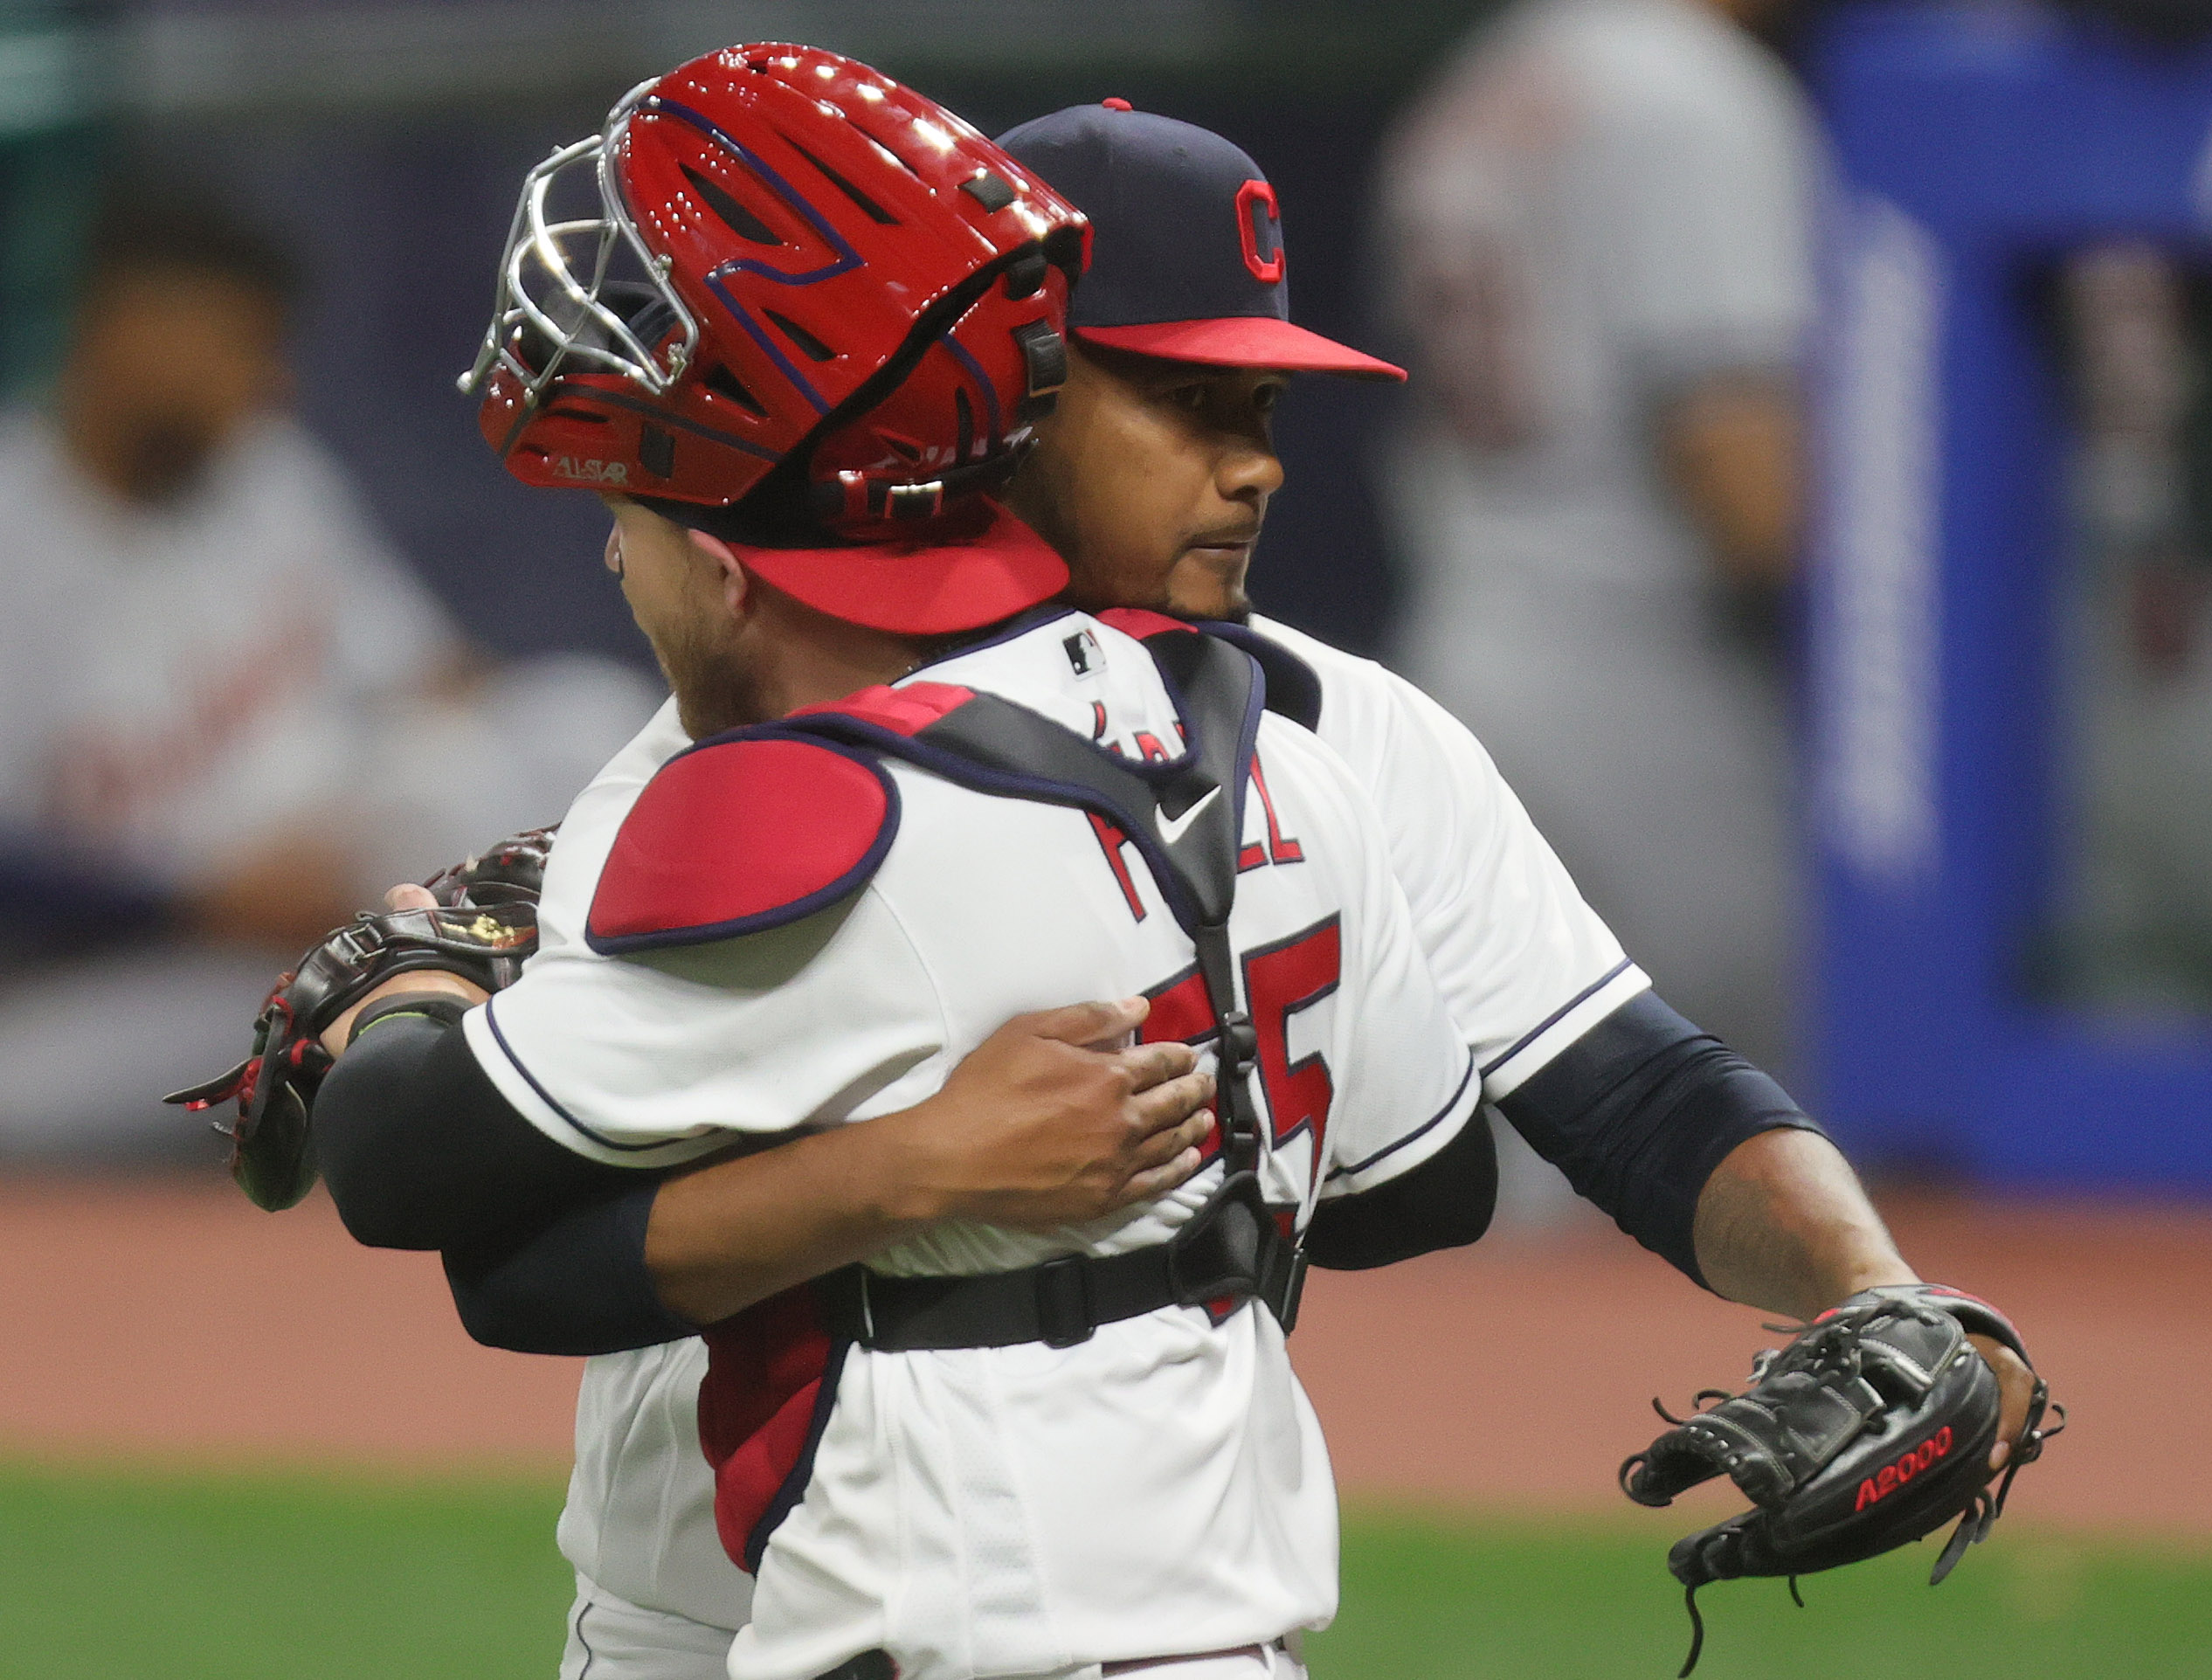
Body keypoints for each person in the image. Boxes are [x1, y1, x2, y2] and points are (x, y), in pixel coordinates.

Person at [306, 89, 2036, 1680]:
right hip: (756, 1596)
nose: (1254, 459)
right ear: (1009, 395)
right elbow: (1419, 1187)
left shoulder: (1265, 729)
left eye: (1262, 406)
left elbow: (1634, 1084)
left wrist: (1868, 1286)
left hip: (902, 1587)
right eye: (1187, 398)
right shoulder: (1256, 742)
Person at [313, 49, 1517, 1680]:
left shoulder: (823, 815)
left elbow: (417, 1187)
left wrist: (418, 981)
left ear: (736, 569)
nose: (614, 552)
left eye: (640, 523)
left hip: (969, 1630)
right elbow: (1431, 1185)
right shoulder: (1267, 733)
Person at [0, 183, 655, 1160]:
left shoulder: (265, 472)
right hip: (173, 956)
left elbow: (434, 676)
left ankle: (511, 1030)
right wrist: (205, 900)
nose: (270, 383)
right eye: (240, 346)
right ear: (128, 332)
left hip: (374, 876)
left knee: (584, 713)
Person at [1373, 0, 1818, 1080]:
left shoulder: (1481, 75)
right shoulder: (1695, 95)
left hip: (1452, 663)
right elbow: (1745, 484)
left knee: (1509, 1157)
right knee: (1728, 1133)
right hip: (1647, 694)